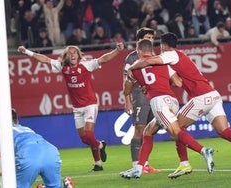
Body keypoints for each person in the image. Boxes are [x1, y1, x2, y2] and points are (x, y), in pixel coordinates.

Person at [127, 32, 231, 179]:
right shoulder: (179, 57)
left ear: (163, 45)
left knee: (177, 128)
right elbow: (178, 82)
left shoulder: (170, 54)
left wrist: (132, 67)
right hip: (213, 95)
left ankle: (184, 164)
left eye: (160, 46)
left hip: (200, 97)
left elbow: (148, 61)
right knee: (224, 130)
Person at [17, 42, 124, 172]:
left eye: (74, 52)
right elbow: (44, 59)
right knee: (85, 139)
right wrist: (26, 52)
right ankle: (99, 153)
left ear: (79, 55)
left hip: (90, 104)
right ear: (66, 56)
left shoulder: (86, 65)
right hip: (77, 108)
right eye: (69, 53)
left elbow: (104, 59)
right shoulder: (62, 66)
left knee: (89, 133)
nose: (72, 55)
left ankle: (98, 156)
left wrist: (117, 51)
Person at [120, 39, 215, 179]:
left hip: (159, 103)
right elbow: (177, 82)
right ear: (151, 50)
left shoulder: (135, 68)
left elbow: (127, 90)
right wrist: (161, 81)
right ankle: (138, 168)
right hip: (172, 101)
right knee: (148, 131)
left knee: (176, 132)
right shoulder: (163, 62)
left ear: (138, 51)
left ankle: (203, 151)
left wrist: (135, 79)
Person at [123, 27, 160, 174]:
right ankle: (135, 165)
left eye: (152, 38)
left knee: (149, 131)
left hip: (153, 96)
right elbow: (125, 80)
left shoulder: (155, 55)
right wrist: (127, 100)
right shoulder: (131, 58)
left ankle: (145, 164)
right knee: (139, 128)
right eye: (147, 37)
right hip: (139, 96)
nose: (150, 40)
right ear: (139, 40)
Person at [11, 108, 74, 188]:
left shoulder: (3, 132)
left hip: (28, 154)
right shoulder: (26, 129)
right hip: (51, 152)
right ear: (17, 121)